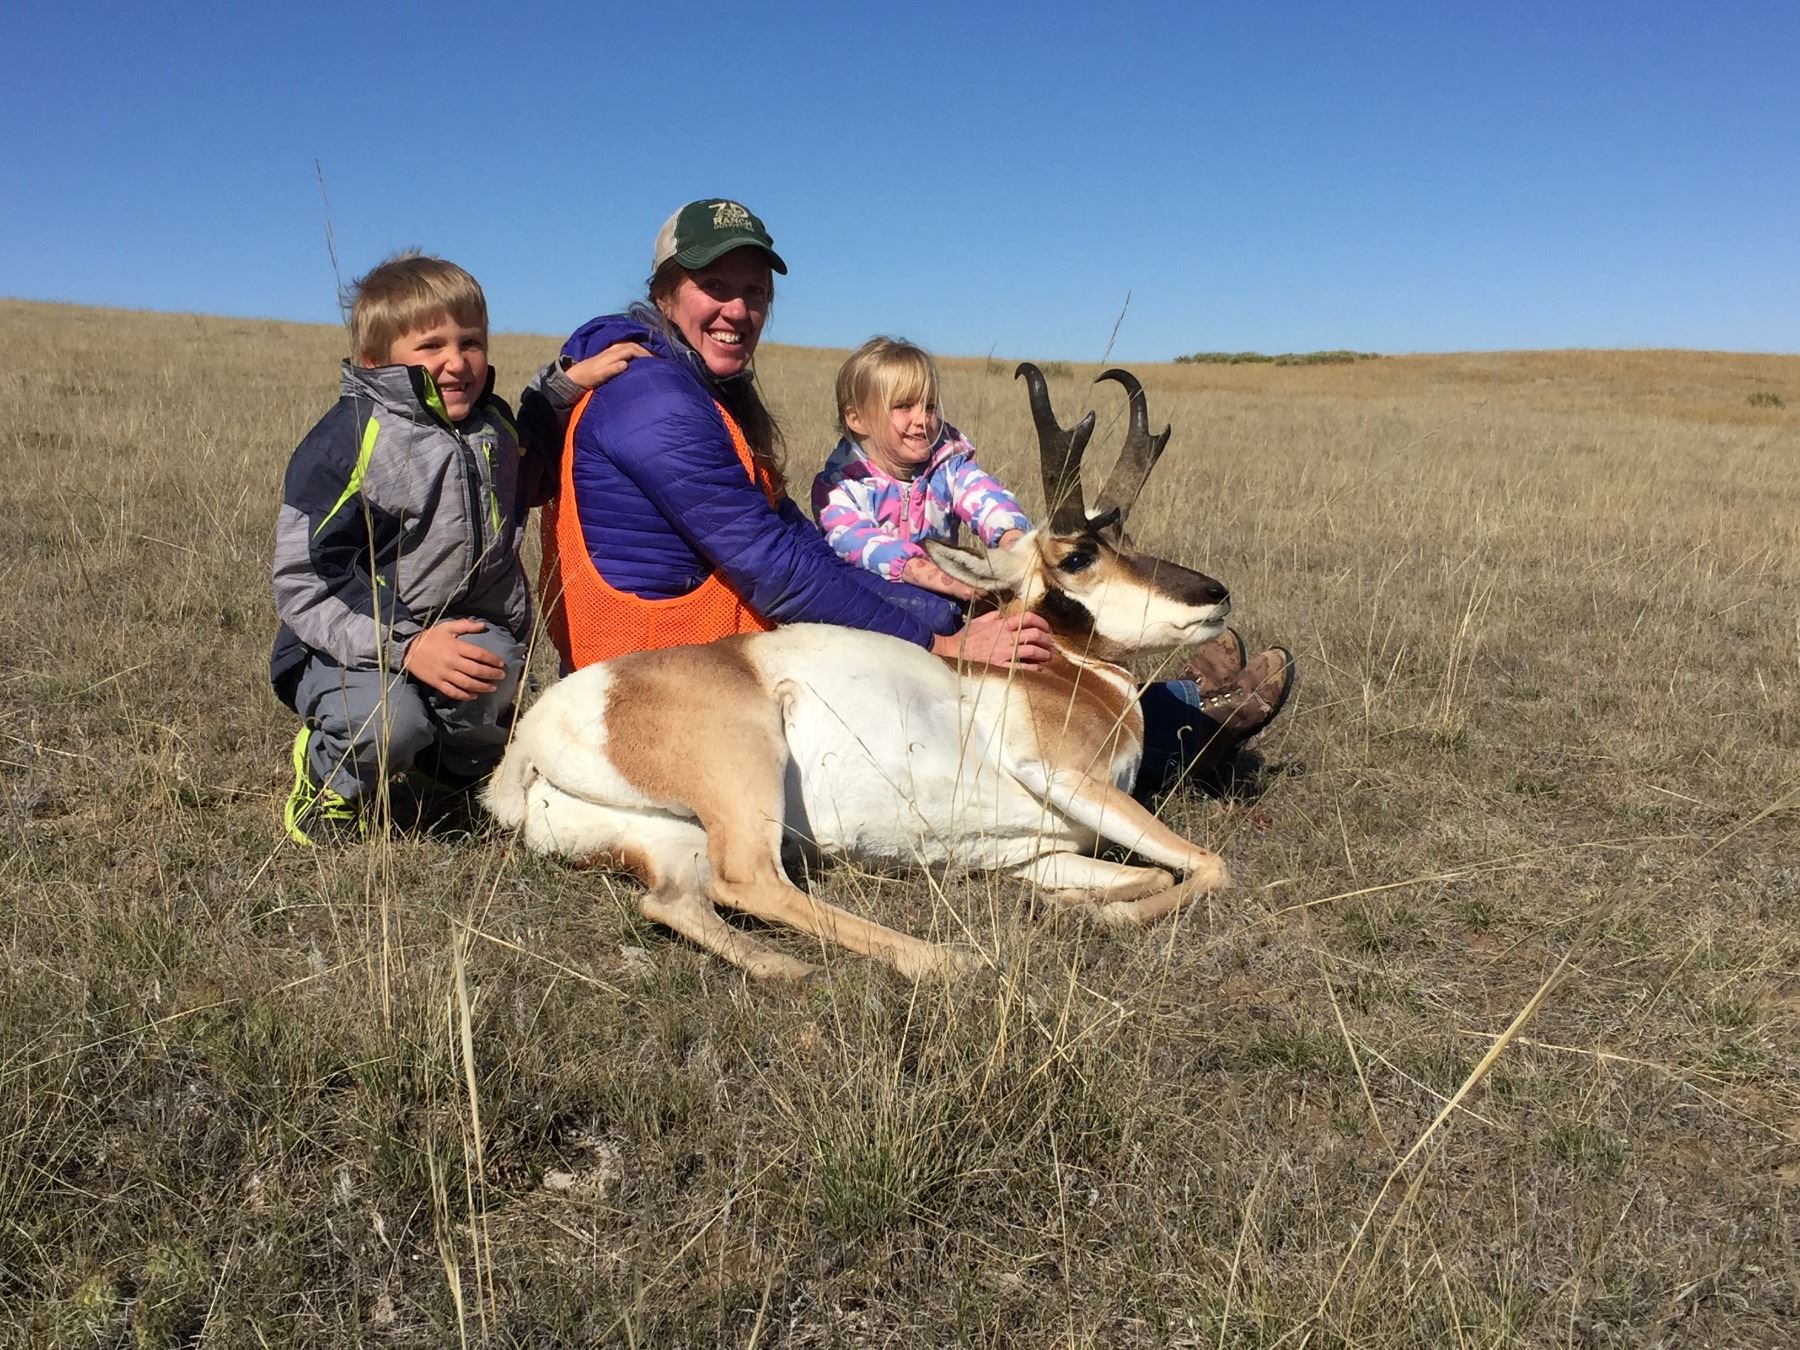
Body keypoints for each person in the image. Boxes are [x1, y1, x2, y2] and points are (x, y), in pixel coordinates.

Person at [524, 199, 1053, 676]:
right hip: (652, 674)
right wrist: (937, 644)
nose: (738, 310)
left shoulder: (703, 388)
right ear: (663, 296)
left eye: (754, 291)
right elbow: (771, 565)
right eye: (714, 286)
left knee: (944, 617)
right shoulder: (653, 396)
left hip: (706, 649)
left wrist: (932, 612)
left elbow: (793, 540)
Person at [270, 252, 638, 845]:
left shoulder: (491, 425)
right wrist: (407, 645)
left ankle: (445, 775)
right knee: (389, 723)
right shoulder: (351, 439)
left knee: (495, 680)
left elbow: (531, 458)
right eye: (431, 346)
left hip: (460, 628)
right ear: (374, 360)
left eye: (470, 341)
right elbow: (304, 577)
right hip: (354, 643)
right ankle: (328, 780)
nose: (456, 361)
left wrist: (568, 384)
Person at [812, 335, 1296, 785]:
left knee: (1050, 647)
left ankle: (1185, 699)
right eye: (903, 407)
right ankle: (1200, 721)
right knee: (1029, 665)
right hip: (886, 617)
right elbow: (856, 542)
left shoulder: (946, 461)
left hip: (958, 596)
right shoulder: (840, 485)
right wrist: (931, 574)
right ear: (857, 419)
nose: (922, 419)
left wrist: (1009, 537)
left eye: (929, 405)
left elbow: (981, 496)